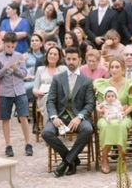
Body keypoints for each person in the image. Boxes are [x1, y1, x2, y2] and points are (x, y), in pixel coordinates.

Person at [42, 47, 96, 178]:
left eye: (74, 59)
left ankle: (66, 162)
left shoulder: (87, 80)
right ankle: (72, 160)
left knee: (88, 129)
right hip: (60, 116)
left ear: (80, 60)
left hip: (78, 117)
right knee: (46, 133)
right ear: (65, 59)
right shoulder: (57, 78)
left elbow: (90, 104)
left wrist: (79, 117)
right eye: (68, 59)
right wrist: (54, 117)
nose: (71, 61)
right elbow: (50, 100)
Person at [93, 57, 132, 174]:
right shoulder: (103, 84)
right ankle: (104, 158)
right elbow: (100, 104)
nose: (114, 70)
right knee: (106, 125)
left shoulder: (130, 84)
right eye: (112, 67)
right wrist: (98, 108)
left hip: (123, 115)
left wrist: (124, 112)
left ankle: (122, 158)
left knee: (120, 126)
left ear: (123, 69)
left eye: (117, 67)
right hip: (106, 116)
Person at [0, 31, 33, 157]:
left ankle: (28, 143)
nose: (10, 49)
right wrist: (5, 69)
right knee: (6, 118)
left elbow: (24, 74)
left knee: (23, 117)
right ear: (4, 44)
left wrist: (15, 69)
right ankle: (8, 145)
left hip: (19, 91)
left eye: (13, 47)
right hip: (5, 92)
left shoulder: (19, 56)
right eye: (8, 46)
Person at [32, 46, 68, 122]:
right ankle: (48, 126)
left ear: (59, 57)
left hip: (59, 97)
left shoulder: (63, 69)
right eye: (50, 53)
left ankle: (50, 128)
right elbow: (35, 89)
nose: (52, 56)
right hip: (44, 97)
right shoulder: (40, 69)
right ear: (47, 55)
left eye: (55, 54)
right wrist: (38, 92)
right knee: (48, 98)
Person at [24, 33, 45, 101]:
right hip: (27, 79)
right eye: (32, 41)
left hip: (39, 80)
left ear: (41, 44)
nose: (34, 42)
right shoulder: (25, 56)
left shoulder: (45, 56)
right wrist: (24, 77)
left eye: (36, 40)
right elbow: (21, 69)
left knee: (25, 88)